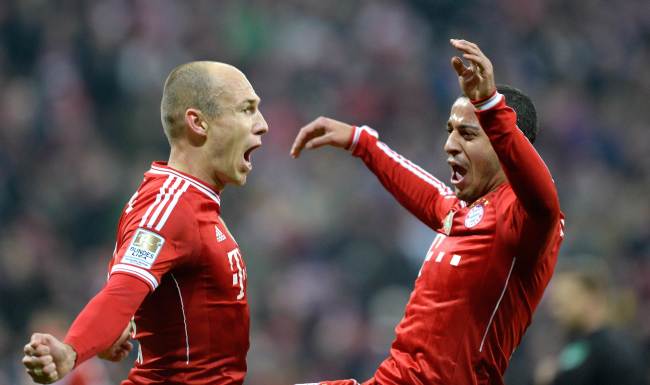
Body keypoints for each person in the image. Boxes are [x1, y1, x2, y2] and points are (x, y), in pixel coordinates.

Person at [290, 39, 564, 385]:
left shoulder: (525, 219)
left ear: (504, 142)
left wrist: (489, 104)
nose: (449, 145)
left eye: (466, 134)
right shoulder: (464, 214)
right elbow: (429, 192)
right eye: (450, 132)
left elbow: (544, 198)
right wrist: (361, 142)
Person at [22, 61, 269, 384]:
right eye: (246, 109)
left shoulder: (178, 202)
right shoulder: (172, 206)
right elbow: (121, 293)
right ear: (198, 123)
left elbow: (133, 288)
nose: (262, 124)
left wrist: (118, 327)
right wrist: (72, 351)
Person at [535, 267, 648, 385]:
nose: (555, 310)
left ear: (591, 299)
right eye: (556, 303)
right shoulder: (581, 344)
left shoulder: (613, 349)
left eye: (564, 301)